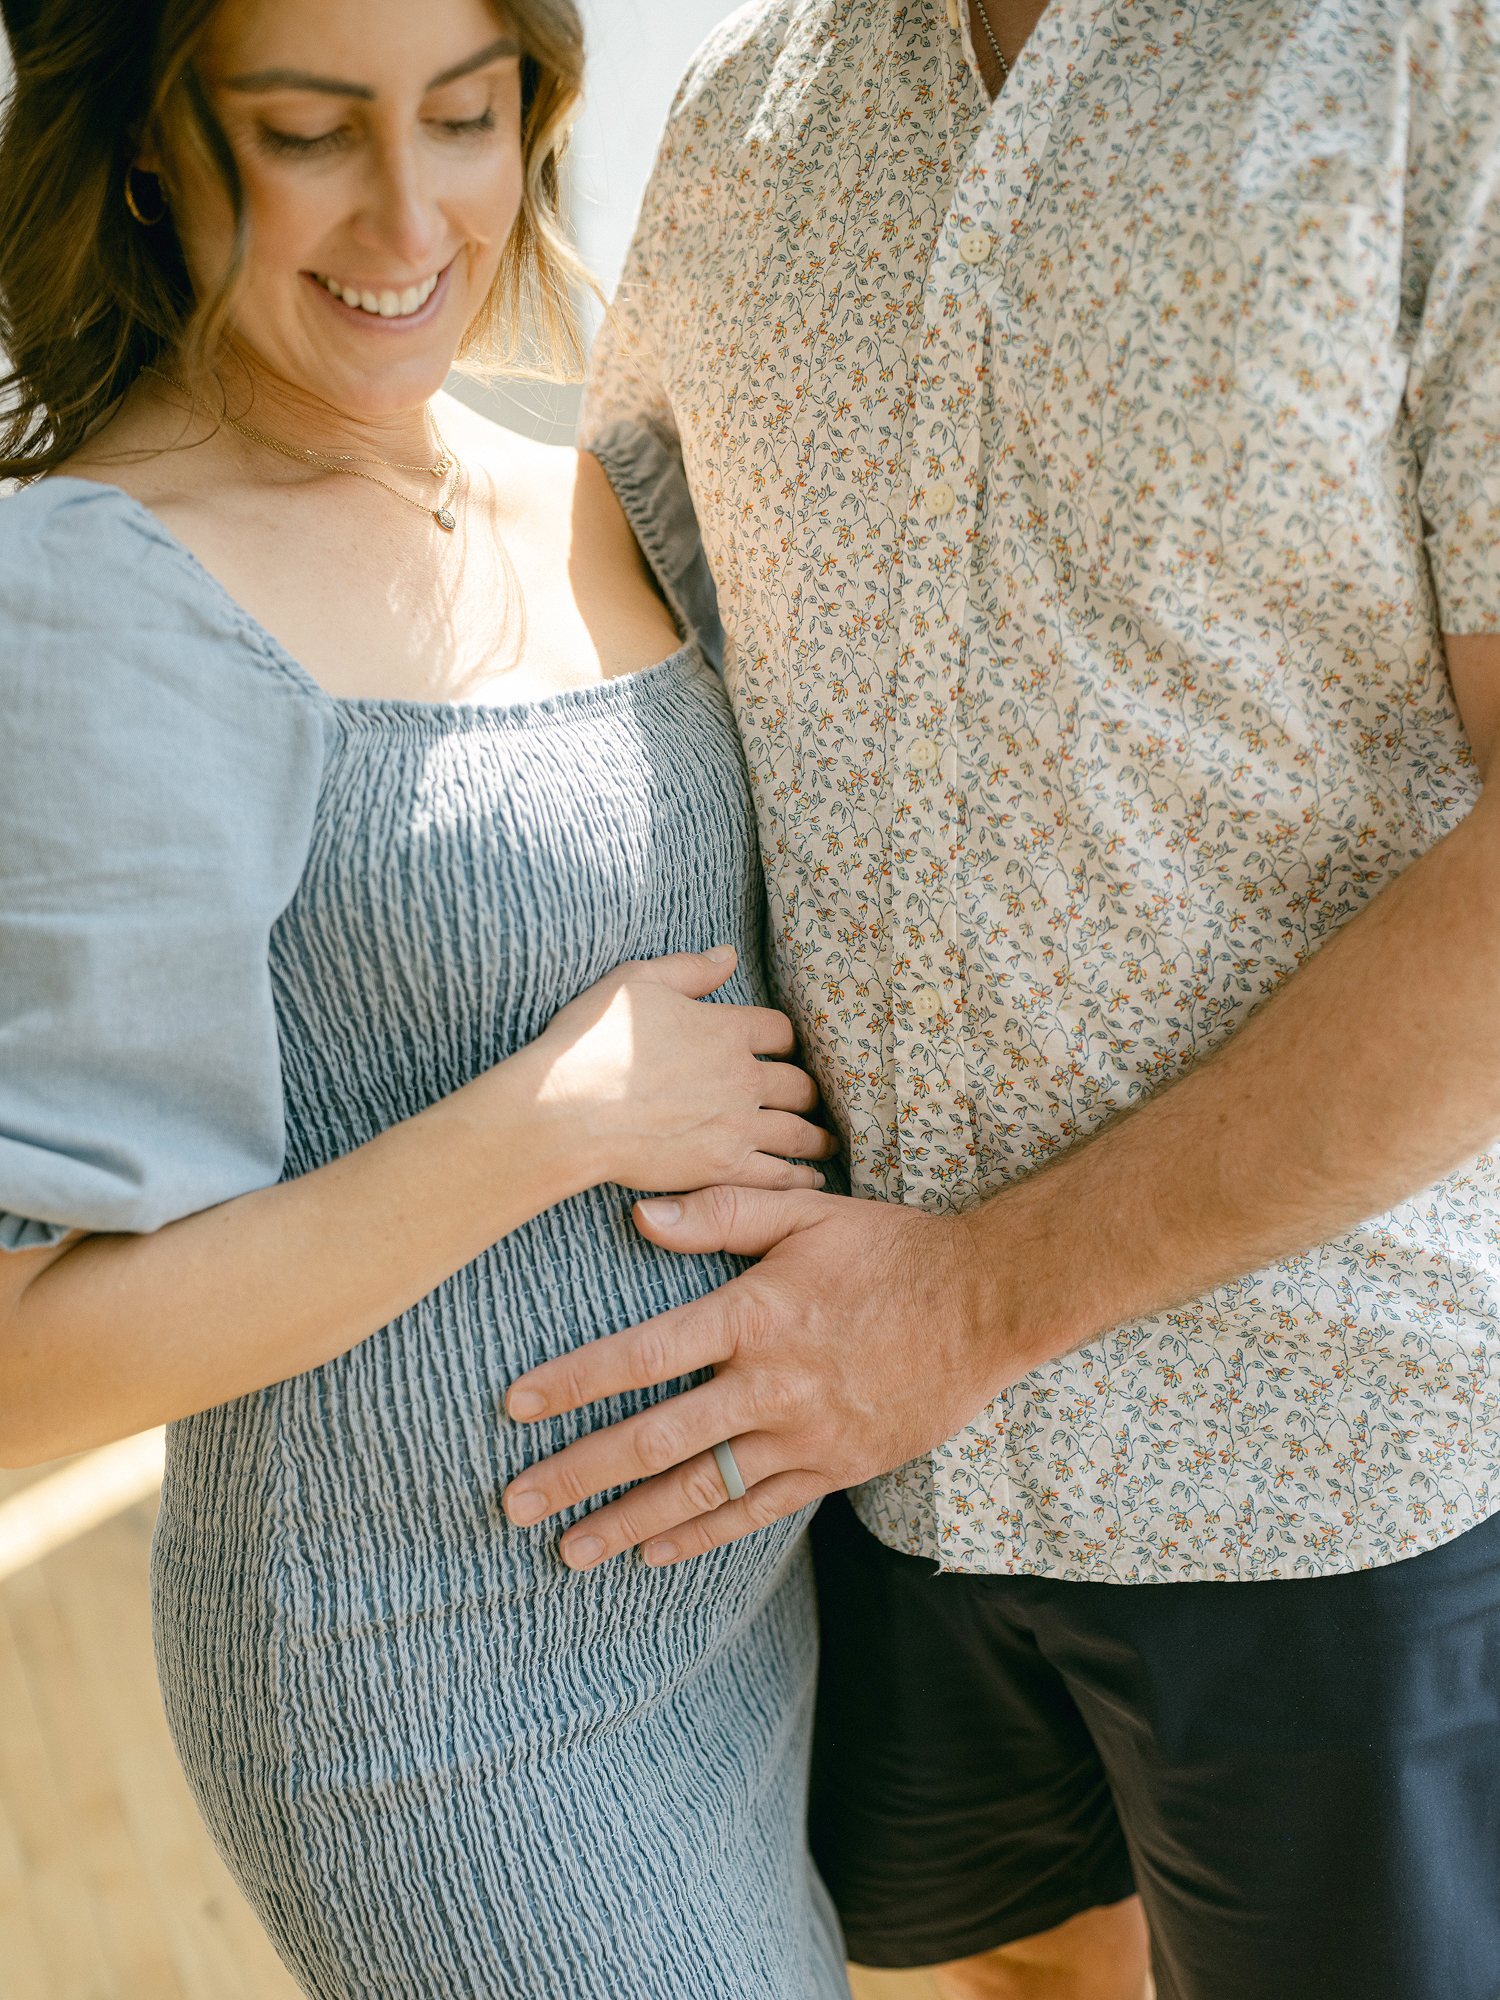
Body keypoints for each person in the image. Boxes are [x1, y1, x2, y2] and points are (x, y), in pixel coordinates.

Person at [499, 2, 1500, 1997]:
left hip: (1322, 1457)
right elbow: (617, 675)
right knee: (1020, 1980)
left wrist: (962, 1304)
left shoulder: (1440, 70)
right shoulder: (739, 126)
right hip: (864, 1462)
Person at [0, 1, 848, 1995]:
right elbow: (26, 1372)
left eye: (466, 116)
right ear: (146, 146)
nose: (411, 211)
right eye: (307, 132)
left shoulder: (580, 482)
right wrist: (547, 1122)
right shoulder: (115, 591)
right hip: (442, 1705)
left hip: (745, 1636)